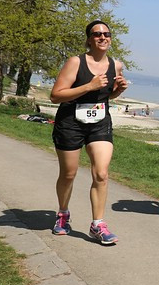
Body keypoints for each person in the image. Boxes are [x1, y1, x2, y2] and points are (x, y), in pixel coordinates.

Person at [50, 20, 128, 245]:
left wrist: (118, 91)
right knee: (68, 174)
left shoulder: (117, 65)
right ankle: (63, 214)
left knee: (101, 173)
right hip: (70, 122)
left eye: (107, 34)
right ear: (89, 39)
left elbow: (106, 96)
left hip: (99, 122)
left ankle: (98, 224)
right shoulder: (75, 62)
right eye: (97, 34)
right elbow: (56, 95)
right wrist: (88, 86)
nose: (103, 37)